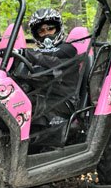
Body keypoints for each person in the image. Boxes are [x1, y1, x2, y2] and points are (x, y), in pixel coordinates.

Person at [21, 8, 80, 146]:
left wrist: (25, 53)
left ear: (58, 29)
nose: (46, 34)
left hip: (63, 103)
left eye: (50, 29)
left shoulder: (68, 49)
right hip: (42, 98)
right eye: (41, 31)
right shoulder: (35, 55)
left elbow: (51, 58)